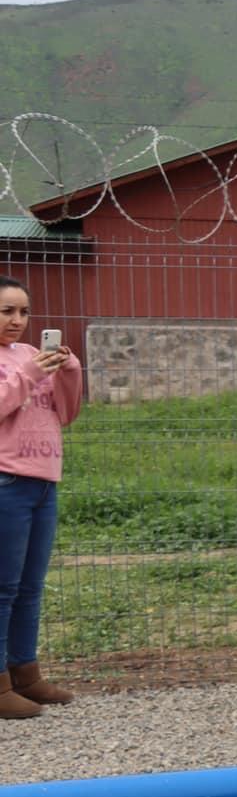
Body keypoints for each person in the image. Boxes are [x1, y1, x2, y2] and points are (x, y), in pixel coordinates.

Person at [0, 277, 84, 719]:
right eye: (6, 311)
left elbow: (65, 413)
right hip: (6, 481)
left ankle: (25, 674)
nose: (17, 321)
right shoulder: (26, 365)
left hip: (44, 481)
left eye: (23, 312)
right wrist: (28, 375)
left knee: (30, 587)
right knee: (3, 588)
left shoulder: (34, 355)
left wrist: (69, 372)